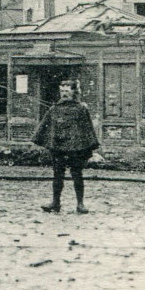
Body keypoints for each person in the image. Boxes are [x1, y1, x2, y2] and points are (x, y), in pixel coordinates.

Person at [31, 79, 99, 214]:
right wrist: (41, 140)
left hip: (75, 148)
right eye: (62, 91)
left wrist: (88, 147)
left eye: (67, 91)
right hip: (58, 147)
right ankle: (55, 203)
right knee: (57, 176)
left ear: (74, 92)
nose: (64, 94)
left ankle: (80, 204)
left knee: (77, 175)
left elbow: (87, 129)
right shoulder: (54, 109)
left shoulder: (81, 109)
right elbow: (44, 125)